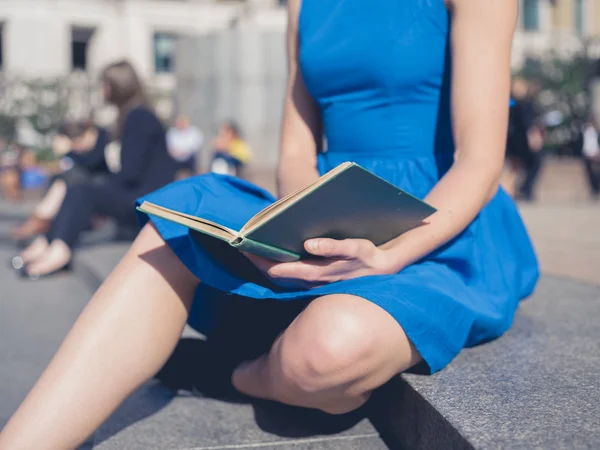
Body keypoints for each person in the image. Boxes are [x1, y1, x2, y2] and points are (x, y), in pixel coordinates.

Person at [0, 2, 539, 448]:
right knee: (176, 227)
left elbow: (479, 161)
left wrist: (391, 252)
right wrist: (297, 228)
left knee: (327, 352)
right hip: (327, 204)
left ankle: (223, 370)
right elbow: (295, 151)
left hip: (439, 223)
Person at [14, 60, 177, 279]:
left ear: (117, 86)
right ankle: (49, 242)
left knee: (83, 192)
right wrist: (70, 153)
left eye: (105, 85)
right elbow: (94, 161)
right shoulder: (122, 120)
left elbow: (130, 173)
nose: (102, 91)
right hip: (130, 193)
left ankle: (60, 249)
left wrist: (99, 190)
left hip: (146, 202)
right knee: (75, 184)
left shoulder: (141, 118)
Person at [10, 120, 110, 241]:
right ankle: (39, 220)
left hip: (101, 183)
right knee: (60, 179)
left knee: (64, 180)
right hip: (86, 182)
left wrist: (69, 151)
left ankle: (39, 221)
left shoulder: (100, 134)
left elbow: (91, 162)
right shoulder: (88, 137)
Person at [166, 114, 204, 179]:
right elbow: (169, 147)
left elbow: (196, 146)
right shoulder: (172, 132)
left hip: (190, 158)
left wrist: (185, 151)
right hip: (175, 159)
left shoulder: (194, 131)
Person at [581, 118, 600, 200]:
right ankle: (593, 190)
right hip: (586, 155)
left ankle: (596, 189)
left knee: (595, 174)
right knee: (589, 174)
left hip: (595, 155)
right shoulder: (585, 132)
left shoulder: (596, 132)